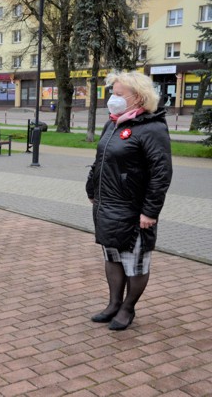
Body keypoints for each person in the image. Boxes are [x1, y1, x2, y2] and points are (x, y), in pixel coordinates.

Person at [86, 71, 173, 331]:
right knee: (112, 255)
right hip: (108, 205)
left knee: (134, 262)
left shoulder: (152, 128)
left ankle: (127, 308)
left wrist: (150, 211)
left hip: (134, 210)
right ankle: (114, 304)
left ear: (138, 97)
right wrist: (91, 187)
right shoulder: (113, 123)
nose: (113, 98)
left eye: (119, 94)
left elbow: (161, 173)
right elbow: (100, 159)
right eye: (112, 92)